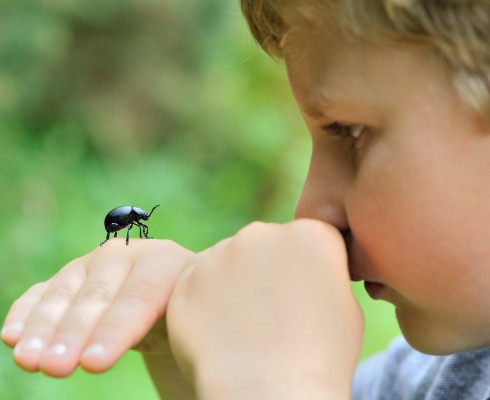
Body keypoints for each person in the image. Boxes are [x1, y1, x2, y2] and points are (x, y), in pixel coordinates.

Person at [2, 0, 490, 398]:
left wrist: (270, 387)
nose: (309, 211)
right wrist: (198, 361)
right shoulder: (422, 378)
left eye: (351, 130)